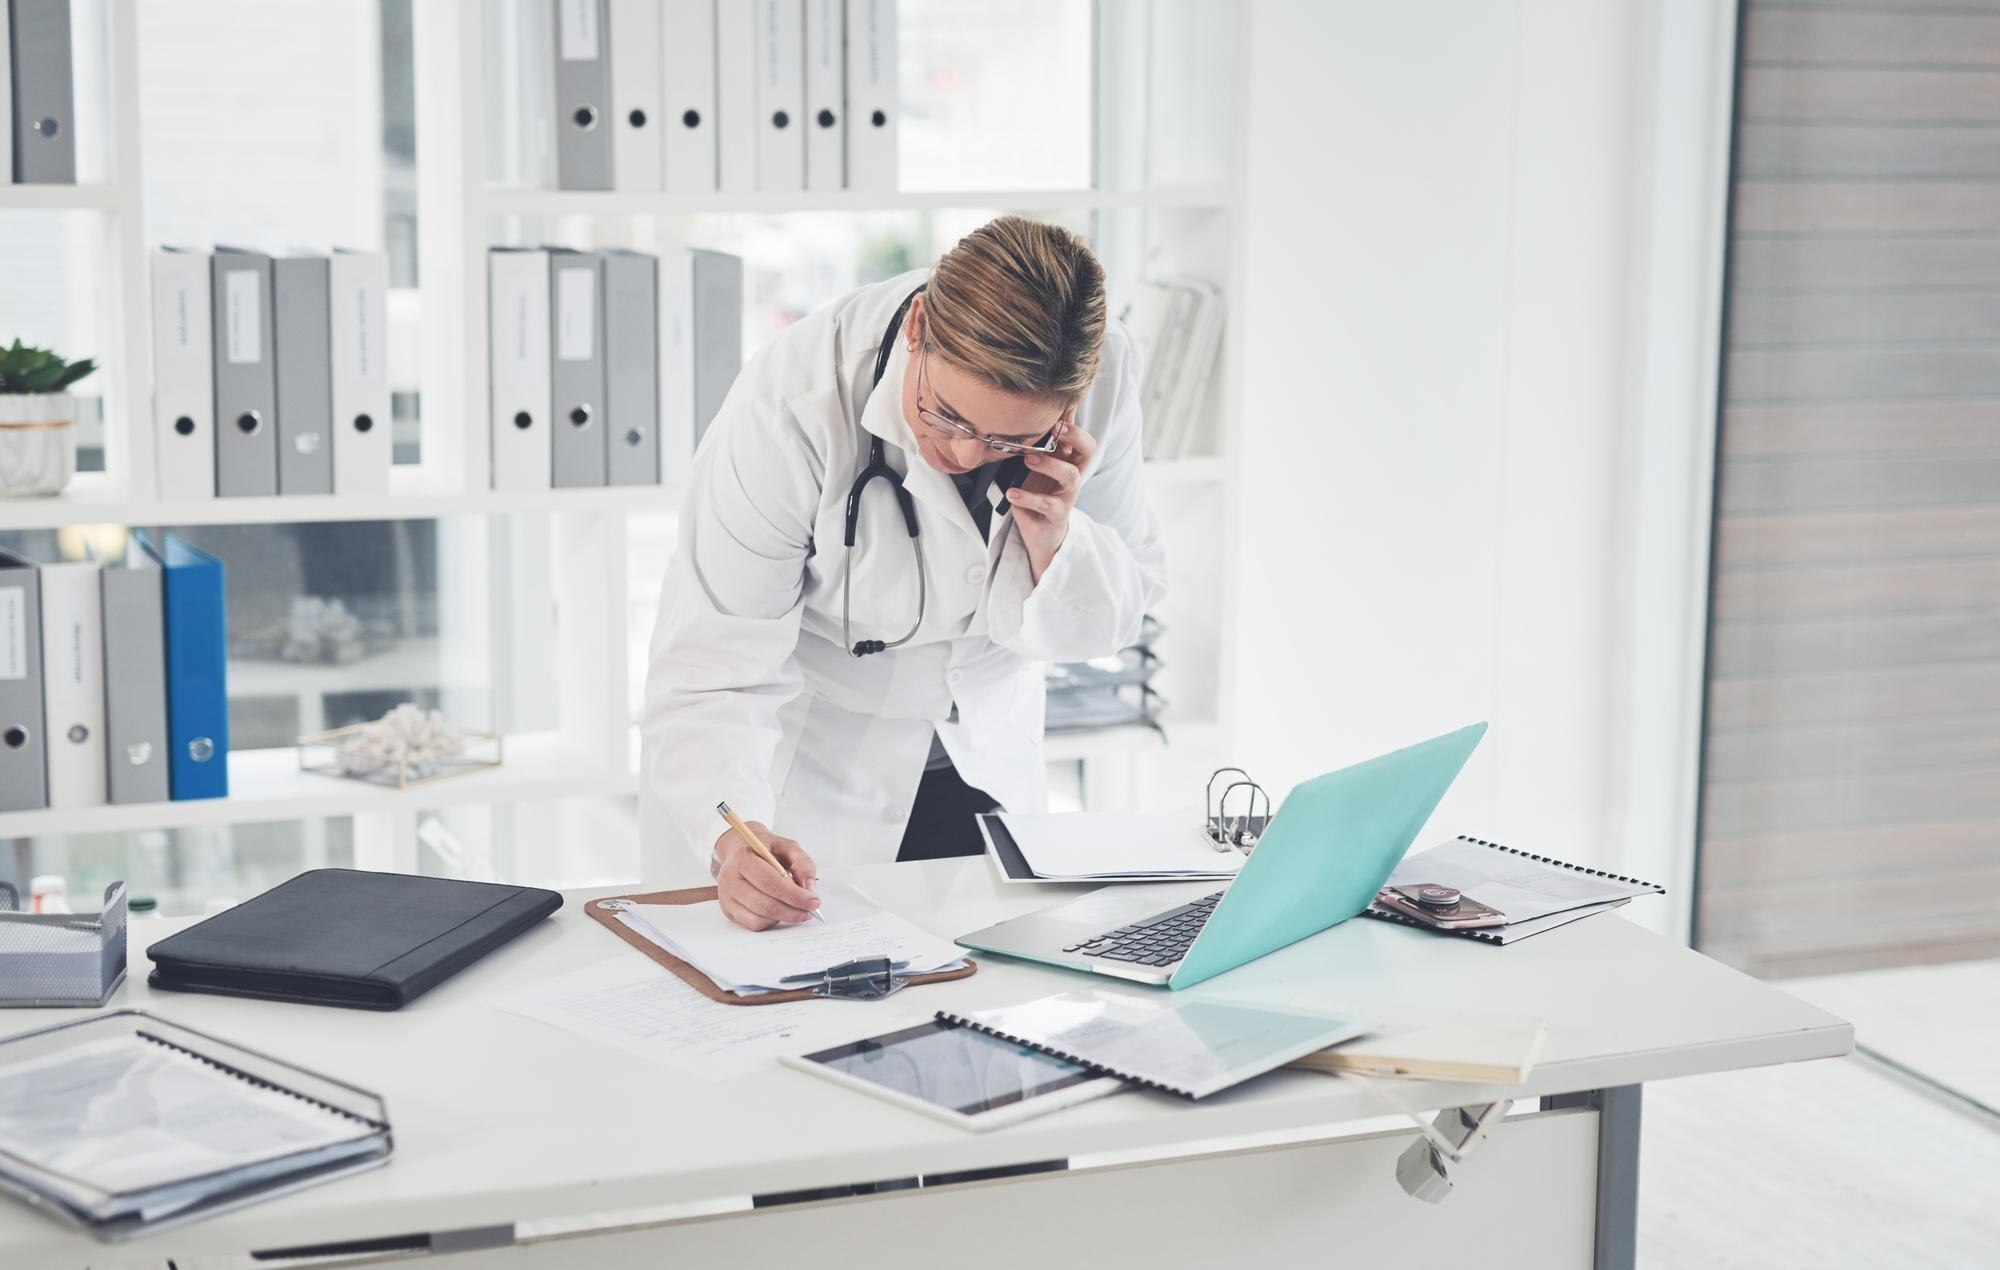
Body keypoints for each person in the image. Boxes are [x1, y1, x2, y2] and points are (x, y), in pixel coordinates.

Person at [643, 216, 1165, 930]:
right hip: (808, 777)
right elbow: (713, 668)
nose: (961, 451)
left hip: (984, 764)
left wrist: (1060, 538)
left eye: (1006, 439)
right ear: (919, 324)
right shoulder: (793, 405)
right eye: (943, 412)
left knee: (984, 1004)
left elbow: (1113, 617)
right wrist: (736, 835)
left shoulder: (1104, 373)